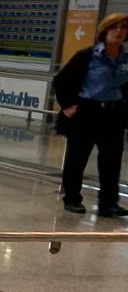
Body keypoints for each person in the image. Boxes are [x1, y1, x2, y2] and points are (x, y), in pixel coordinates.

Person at [52, 11, 128, 216]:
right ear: (105, 30)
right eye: (114, 27)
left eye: (123, 28)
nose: (119, 32)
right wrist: (68, 105)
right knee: (77, 158)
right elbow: (61, 81)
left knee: (111, 161)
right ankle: (72, 198)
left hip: (113, 113)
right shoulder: (88, 55)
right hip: (87, 111)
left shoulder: (125, 58)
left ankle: (108, 203)